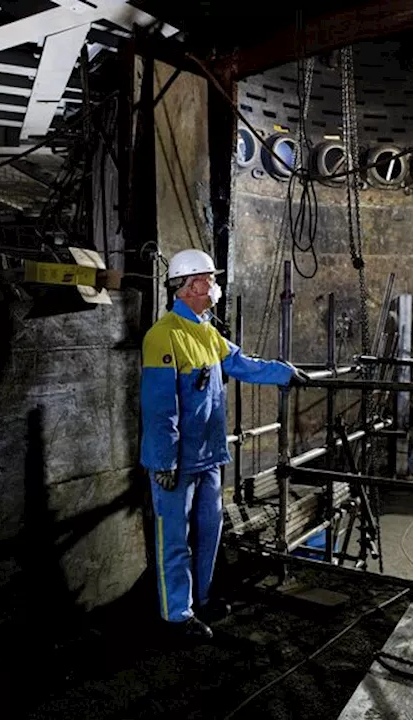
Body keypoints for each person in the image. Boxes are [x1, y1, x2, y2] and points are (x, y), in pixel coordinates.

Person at [140, 249, 308, 640]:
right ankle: (176, 615)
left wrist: (285, 373)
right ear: (193, 284)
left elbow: (242, 364)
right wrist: (164, 460)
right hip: (175, 463)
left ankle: (203, 599)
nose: (215, 285)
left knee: (208, 532)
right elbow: (159, 405)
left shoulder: (206, 332)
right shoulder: (162, 336)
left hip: (208, 458)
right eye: (210, 280)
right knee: (175, 539)